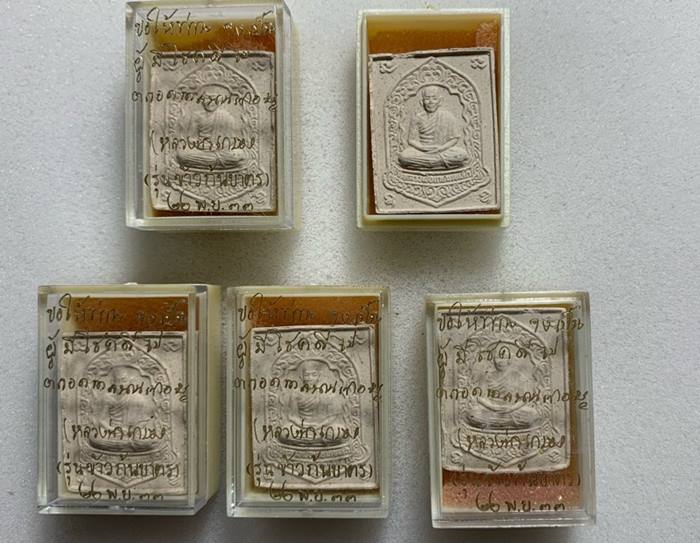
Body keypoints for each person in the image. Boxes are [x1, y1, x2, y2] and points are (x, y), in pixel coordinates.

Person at [465, 343, 541, 431]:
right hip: (491, 410)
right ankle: (505, 423)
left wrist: (511, 408)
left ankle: (496, 423)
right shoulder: (487, 375)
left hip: (512, 410)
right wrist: (493, 407)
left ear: (509, 359)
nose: (500, 361)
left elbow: (524, 398)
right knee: (473, 413)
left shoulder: (517, 375)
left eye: (504, 357)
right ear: (493, 359)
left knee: (533, 414)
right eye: (497, 357)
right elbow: (480, 397)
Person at [175, 83, 249, 171]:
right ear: (202, 100)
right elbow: (191, 139)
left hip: (222, 151)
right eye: (207, 98)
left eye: (214, 98)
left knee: (239, 155)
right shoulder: (196, 116)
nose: (210, 102)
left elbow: (232, 140)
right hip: (201, 151)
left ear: (219, 101)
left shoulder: (227, 117)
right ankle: (218, 163)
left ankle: (210, 163)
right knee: (182, 155)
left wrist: (219, 146)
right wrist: (201, 145)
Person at [398, 85, 469, 171]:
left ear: (440, 101)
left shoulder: (447, 116)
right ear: (422, 102)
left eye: (434, 99)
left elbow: (454, 139)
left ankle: (427, 164)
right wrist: (422, 148)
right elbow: (411, 140)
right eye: (427, 99)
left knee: (462, 154)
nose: (430, 102)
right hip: (422, 151)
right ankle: (438, 163)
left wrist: (441, 148)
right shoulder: (417, 117)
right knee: (403, 156)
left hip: (443, 150)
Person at [281, 360, 348, 447]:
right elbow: (292, 416)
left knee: (340, 431)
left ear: (319, 376)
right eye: (307, 375)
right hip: (302, 427)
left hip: (322, 427)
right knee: (284, 432)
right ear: (302, 376)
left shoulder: (328, 392)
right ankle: (318, 441)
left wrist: (320, 425)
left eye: (314, 374)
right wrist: (305, 425)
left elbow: (333, 416)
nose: (310, 378)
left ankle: (306, 441)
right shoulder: (296, 393)